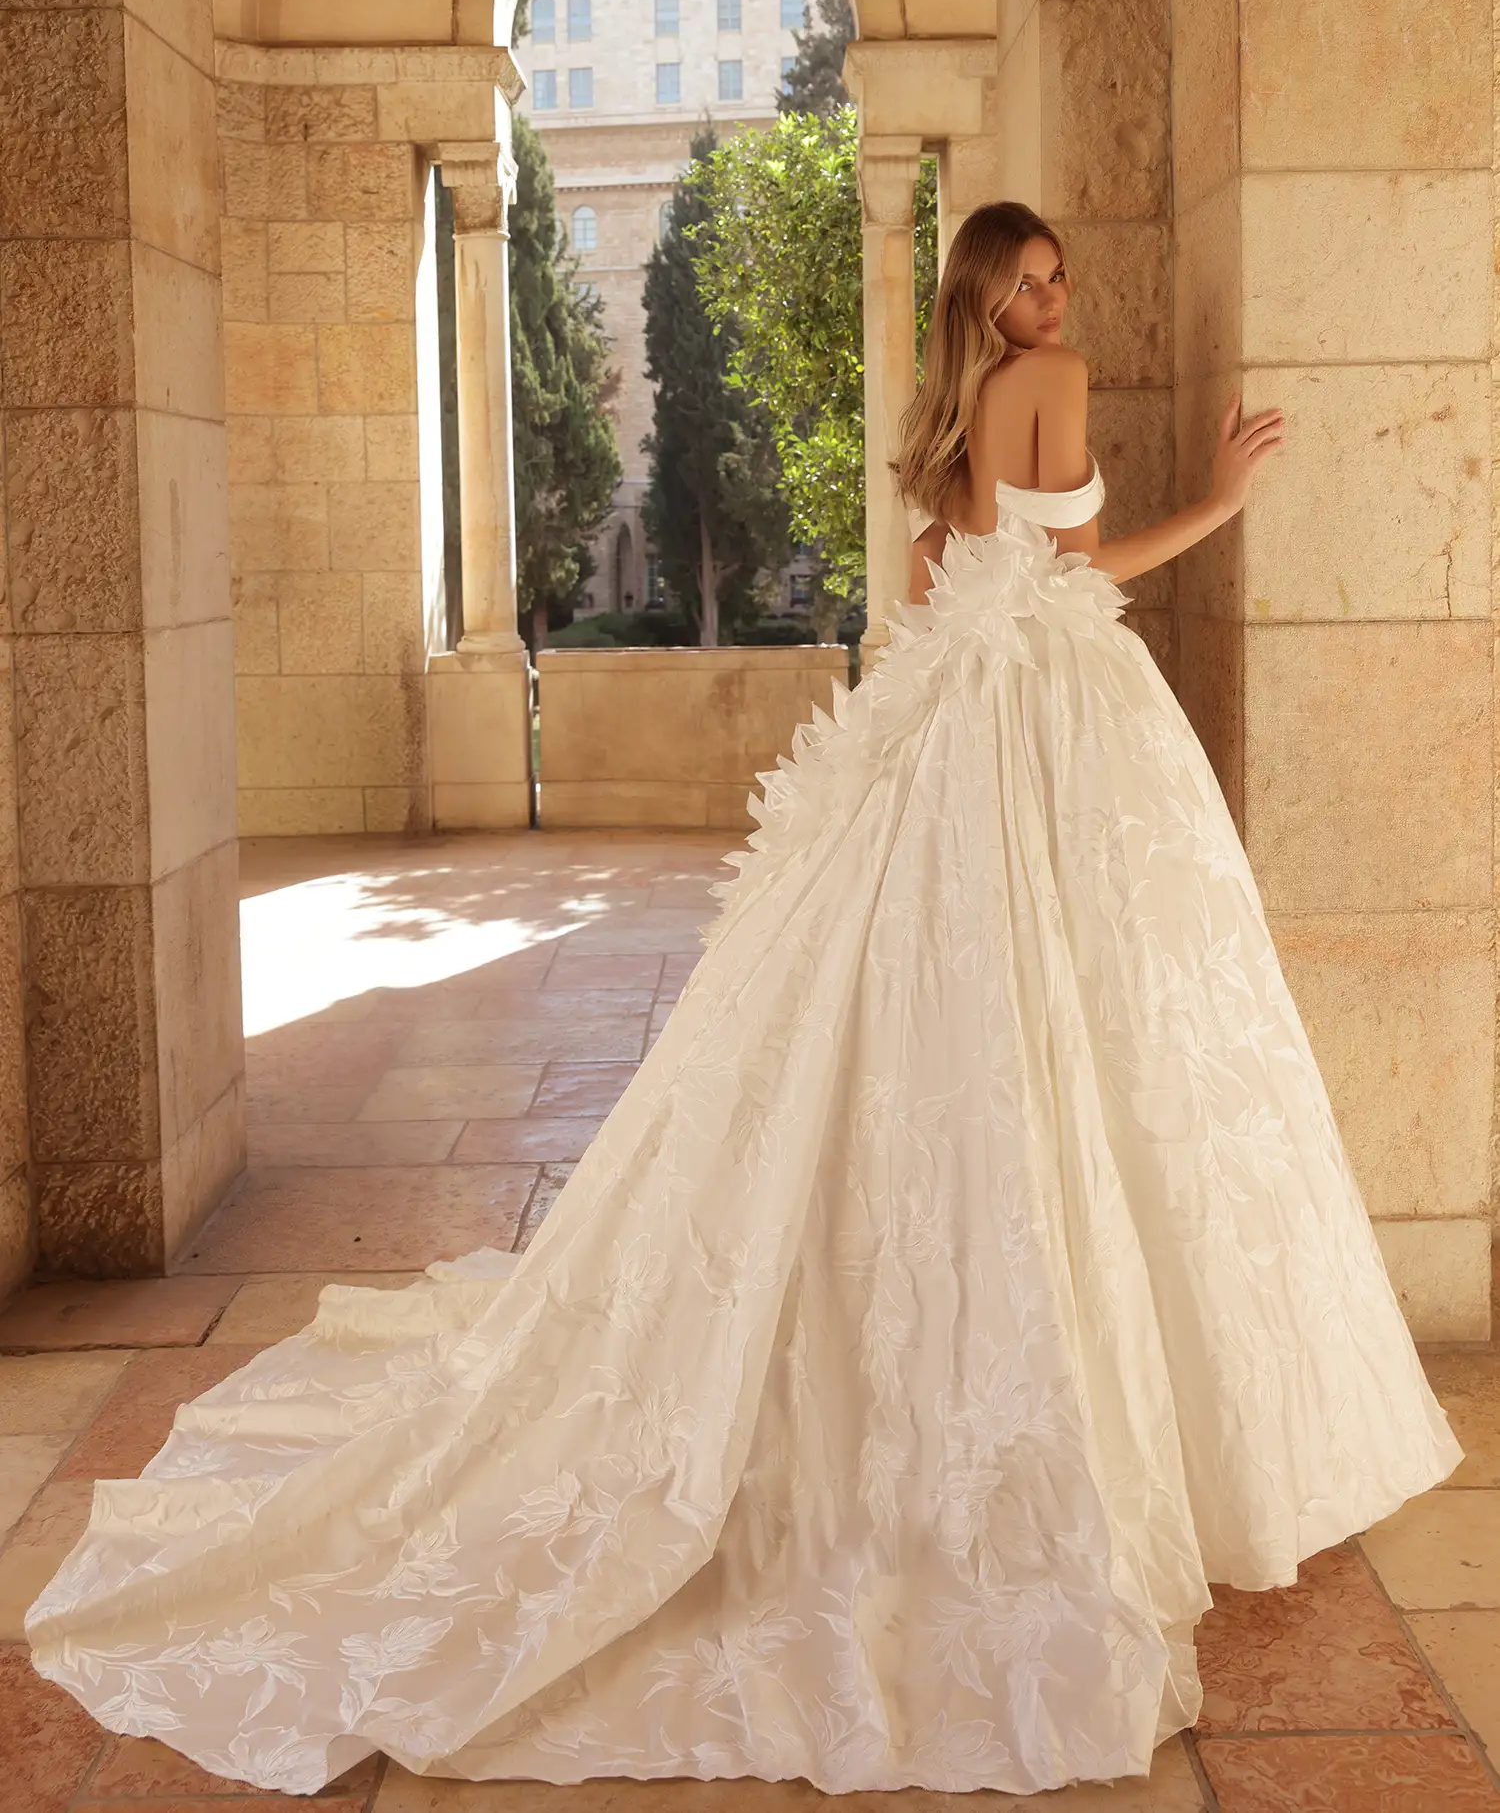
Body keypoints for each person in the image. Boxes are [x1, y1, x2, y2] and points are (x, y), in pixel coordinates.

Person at [28, 203, 1459, 1798]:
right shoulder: (1057, 384)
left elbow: (943, 572)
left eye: (1060, 273)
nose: (1059, 296)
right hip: (1056, 724)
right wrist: (1222, 498)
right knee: (1092, 1033)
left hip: (975, 734)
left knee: (1005, 1029)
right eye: (1031, 279)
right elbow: (1072, 575)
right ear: (989, 298)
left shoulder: (961, 419)